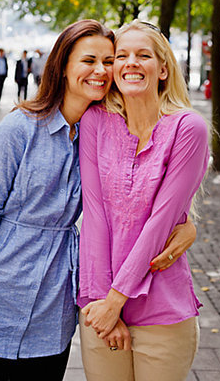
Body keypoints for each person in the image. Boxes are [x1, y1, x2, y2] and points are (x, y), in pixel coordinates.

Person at [0, 20, 195, 381]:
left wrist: (188, 227)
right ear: (62, 67)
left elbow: (134, 202)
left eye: (109, 61)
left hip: (51, 316)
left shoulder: (101, 133)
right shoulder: (18, 131)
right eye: (89, 60)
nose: (102, 71)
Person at [78, 20, 209, 381]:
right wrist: (102, 305)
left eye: (143, 55)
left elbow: (162, 222)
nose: (131, 63)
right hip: (98, 305)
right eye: (121, 55)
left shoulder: (188, 128)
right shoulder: (95, 122)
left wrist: (116, 300)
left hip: (162, 312)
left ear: (163, 68)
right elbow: (95, 216)